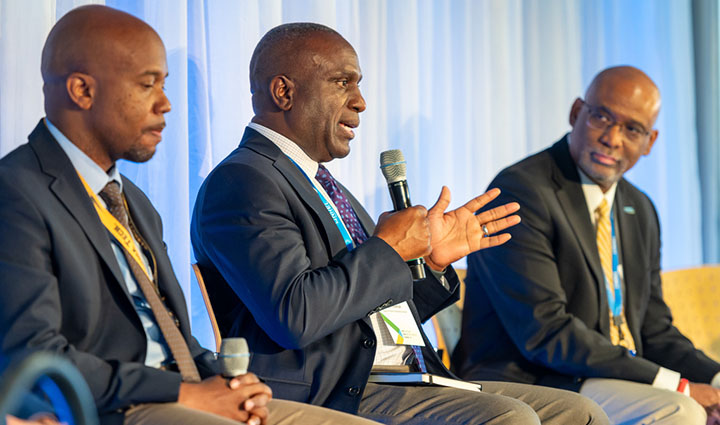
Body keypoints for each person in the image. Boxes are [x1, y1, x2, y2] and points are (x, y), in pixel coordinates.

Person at [191, 22, 609, 425]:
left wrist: (431, 267)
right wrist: (388, 250)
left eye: (358, 84)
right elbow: (295, 315)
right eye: (342, 82)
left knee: (580, 413)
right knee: (508, 417)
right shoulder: (244, 181)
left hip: (401, 378)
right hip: (332, 392)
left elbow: (377, 314)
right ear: (283, 92)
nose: (360, 102)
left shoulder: (320, 182)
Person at [0, 6, 383, 425]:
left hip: (180, 394)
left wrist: (228, 380)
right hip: (111, 408)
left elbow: (172, 339)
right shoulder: (17, 192)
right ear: (81, 90)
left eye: (164, 85)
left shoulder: (135, 204)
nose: (165, 104)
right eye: (148, 85)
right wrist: (185, 392)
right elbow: (33, 357)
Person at [453, 66, 720, 424]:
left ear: (649, 141)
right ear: (577, 113)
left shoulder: (639, 209)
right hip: (533, 376)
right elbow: (545, 331)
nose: (612, 138)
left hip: (611, 377)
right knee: (679, 408)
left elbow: (653, 329)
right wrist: (680, 387)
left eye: (632, 129)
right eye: (602, 117)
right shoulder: (522, 191)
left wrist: (715, 379)